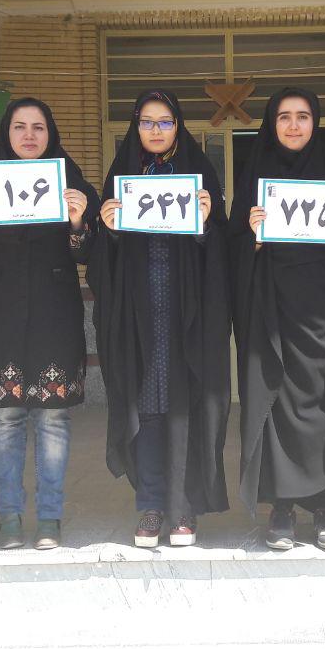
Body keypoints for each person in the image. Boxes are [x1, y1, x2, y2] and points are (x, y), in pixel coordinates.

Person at [229, 88, 325, 550]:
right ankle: (281, 508)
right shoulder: (256, 182)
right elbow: (229, 249)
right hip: (273, 318)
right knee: (276, 406)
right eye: (284, 116)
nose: (294, 125)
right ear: (272, 123)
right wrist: (252, 240)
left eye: (302, 116)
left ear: (315, 123)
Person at [0, 97, 100, 551]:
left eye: (39, 126)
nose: (29, 135)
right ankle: (10, 517)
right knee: (6, 418)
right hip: (0, 313)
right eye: (20, 126)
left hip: (54, 313)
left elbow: (88, 254)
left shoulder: (71, 183)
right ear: (7, 132)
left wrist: (78, 221)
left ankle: (50, 518)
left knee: (53, 419)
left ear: (51, 133)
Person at [88, 89, 231, 548]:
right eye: (147, 122)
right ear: (135, 126)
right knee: (147, 409)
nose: (155, 130)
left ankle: (182, 507)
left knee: (184, 409)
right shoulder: (122, 177)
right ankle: (150, 504)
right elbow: (100, 259)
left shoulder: (199, 172)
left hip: (186, 315)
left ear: (178, 126)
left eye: (165, 122)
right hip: (138, 316)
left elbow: (222, 247)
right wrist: (109, 231)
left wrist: (206, 225)